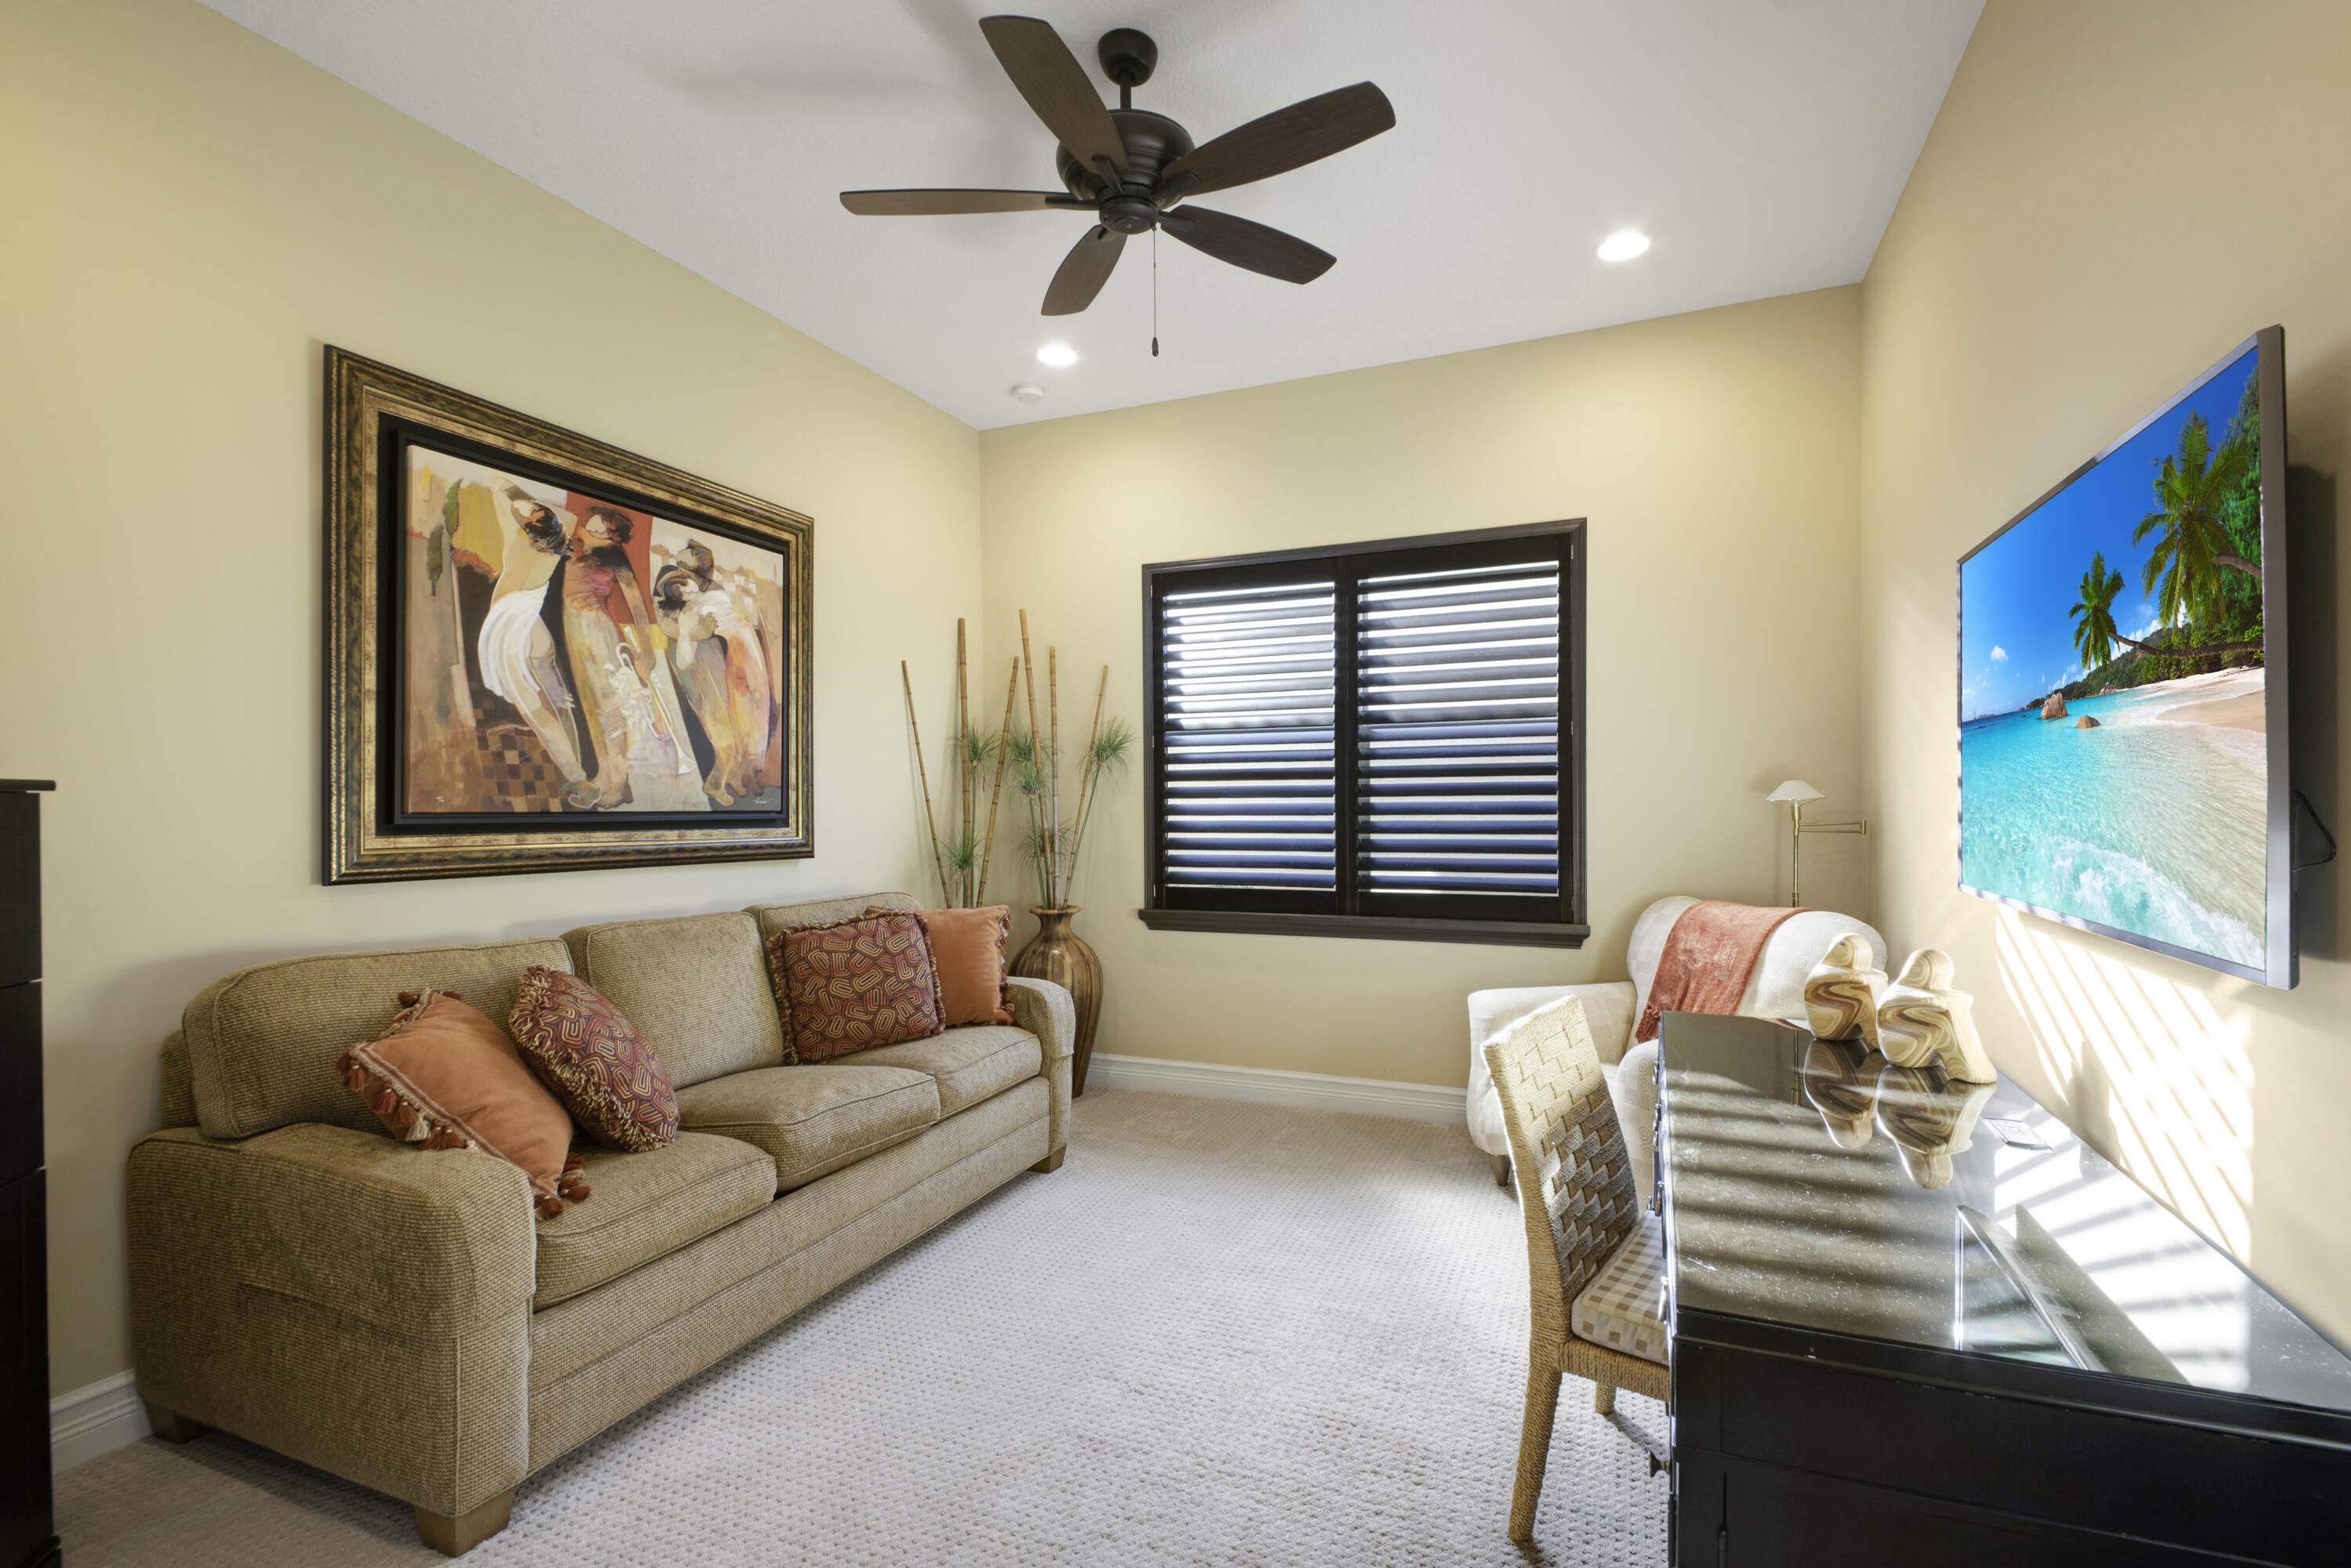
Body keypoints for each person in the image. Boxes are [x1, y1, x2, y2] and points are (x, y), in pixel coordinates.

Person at [560, 508, 703, 810]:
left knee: (609, 707)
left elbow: (637, 605)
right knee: (590, 705)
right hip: (574, 633)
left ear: (612, 536)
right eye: (590, 526)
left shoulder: (615, 557)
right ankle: (604, 773)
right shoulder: (576, 546)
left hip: (596, 631)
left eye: (600, 530)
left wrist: (647, 651)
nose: (589, 531)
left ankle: (622, 783)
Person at [476, 480, 592, 806]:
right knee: (553, 689)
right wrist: (539, 513)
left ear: (529, 530)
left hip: (511, 627)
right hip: (530, 623)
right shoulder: (565, 533)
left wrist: (521, 501)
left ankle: (577, 777)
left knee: (534, 709)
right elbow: (566, 515)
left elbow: (500, 487)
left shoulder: (518, 544)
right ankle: (577, 770)